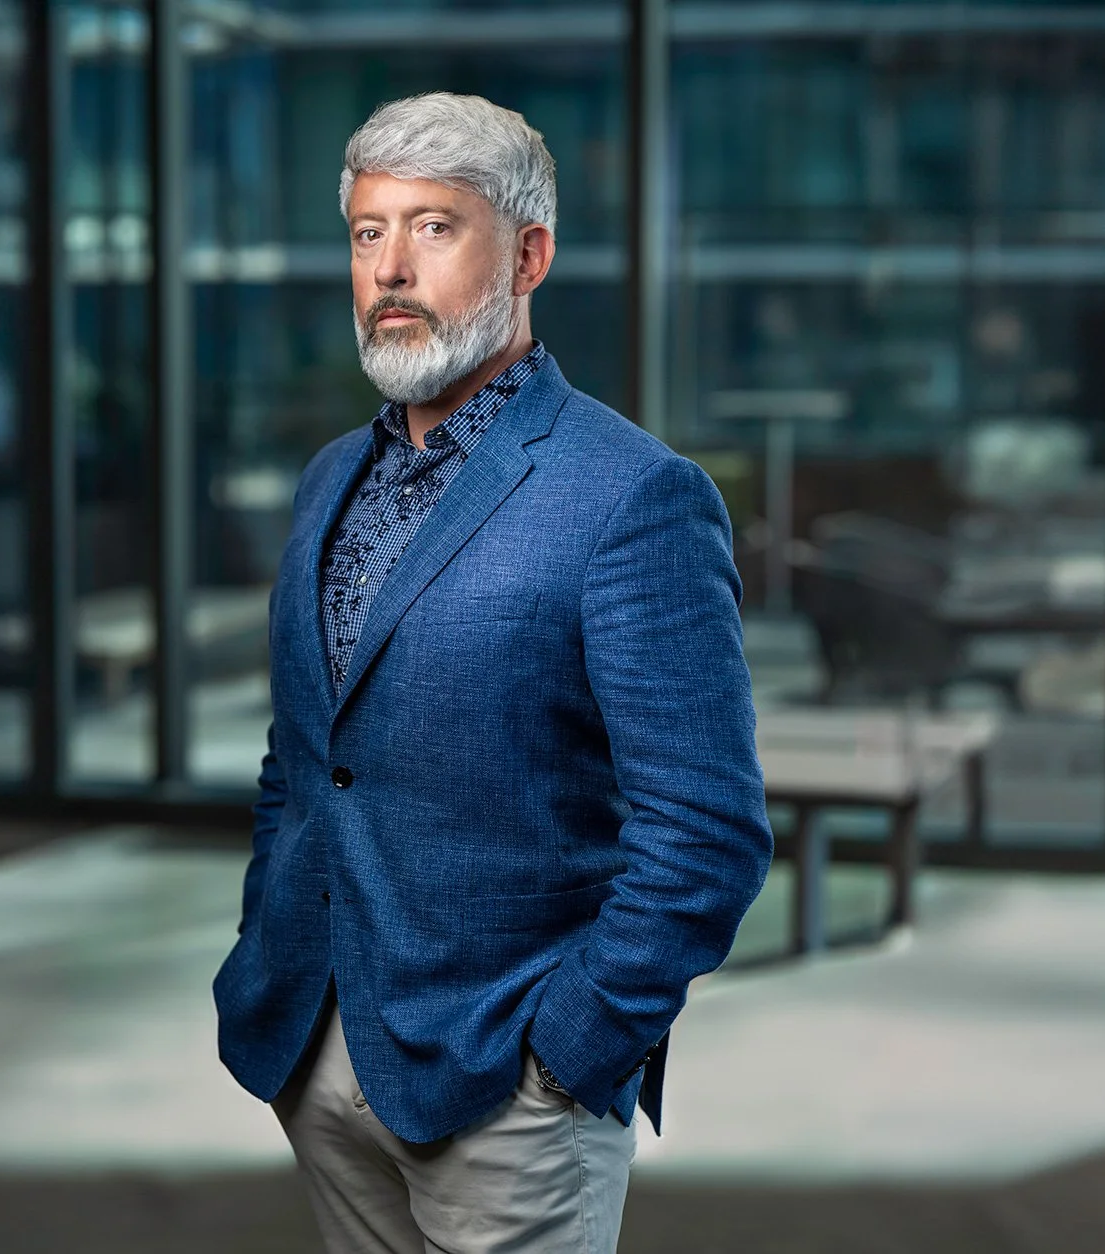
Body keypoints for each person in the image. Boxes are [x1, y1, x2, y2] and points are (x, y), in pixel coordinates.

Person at [212, 92, 772, 1254]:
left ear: (527, 257)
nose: (389, 268)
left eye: (433, 227)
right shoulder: (329, 479)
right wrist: (267, 951)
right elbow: (304, 760)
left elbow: (706, 831)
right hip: (312, 1047)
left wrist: (568, 1053)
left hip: (507, 1083)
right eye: (367, 233)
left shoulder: (632, 496)